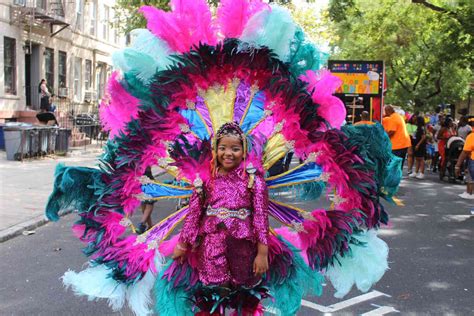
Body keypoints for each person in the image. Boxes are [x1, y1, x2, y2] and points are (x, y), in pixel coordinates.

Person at [172, 122, 269, 313]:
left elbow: (260, 219)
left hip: (243, 249)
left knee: (243, 297)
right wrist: (182, 244)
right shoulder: (206, 181)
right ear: (215, 150)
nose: (228, 153)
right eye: (222, 148)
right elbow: (193, 215)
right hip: (211, 247)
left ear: (244, 151)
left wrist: (262, 253)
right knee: (212, 296)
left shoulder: (254, 181)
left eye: (235, 148)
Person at [383, 105, 411, 171]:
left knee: (394, 164)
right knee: (399, 164)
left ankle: (394, 178)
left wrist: (383, 138)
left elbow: (391, 131)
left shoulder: (393, 118)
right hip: (404, 144)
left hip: (398, 145)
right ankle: (398, 177)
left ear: (387, 111)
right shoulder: (398, 116)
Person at [455, 125, 474, 199]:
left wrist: (457, 166)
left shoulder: (471, 136)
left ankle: (469, 192)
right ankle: (469, 192)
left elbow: (465, 152)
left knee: (470, 176)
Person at [136, 166, 155, 234]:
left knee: (144, 204)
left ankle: (150, 226)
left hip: (139, 182)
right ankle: (142, 224)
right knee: (149, 204)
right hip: (148, 182)